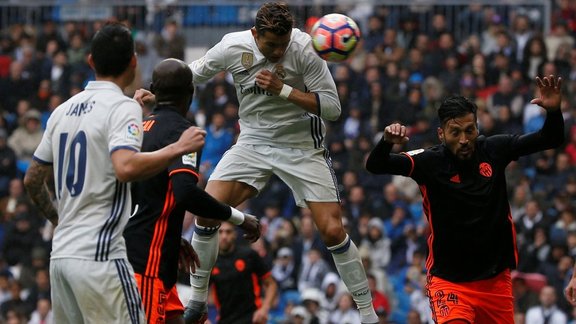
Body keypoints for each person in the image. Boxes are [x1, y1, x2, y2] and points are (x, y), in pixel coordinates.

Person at [136, 2, 379, 323]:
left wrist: (284, 90)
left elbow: (332, 108)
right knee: (206, 211)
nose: (278, 51)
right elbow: (193, 72)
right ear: (255, 34)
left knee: (333, 230)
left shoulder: (305, 49)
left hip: (302, 146)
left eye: (283, 44)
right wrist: (156, 92)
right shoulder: (233, 46)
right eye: (271, 45)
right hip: (252, 143)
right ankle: (197, 299)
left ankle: (367, 313)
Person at [22, 22, 207, 324]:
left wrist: (61, 220)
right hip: (102, 258)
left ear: (90, 61)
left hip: (62, 258)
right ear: (134, 62)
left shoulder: (62, 111)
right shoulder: (123, 108)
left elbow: (32, 179)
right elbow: (125, 168)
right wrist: (177, 148)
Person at [366, 75, 564, 324]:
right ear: (441, 134)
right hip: (450, 283)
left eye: (469, 130)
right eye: (455, 132)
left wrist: (554, 111)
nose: (464, 139)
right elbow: (376, 165)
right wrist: (386, 142)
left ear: (477, 128)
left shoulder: (494, 149)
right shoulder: (429, 162)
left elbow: (550, 138)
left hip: (495, 283)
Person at [123, 58, 261, 324]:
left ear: (154, 89)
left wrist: (174, 238)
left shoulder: (138, 128)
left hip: (144, 254)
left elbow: (146, 194)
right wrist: (239, 218)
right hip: (147, 265)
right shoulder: (184, 132)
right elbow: (185, 192)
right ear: (191, 93)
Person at [207, 221, 277, 324]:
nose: (224, 236)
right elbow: (199, 293)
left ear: (234, 234)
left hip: (252, 319)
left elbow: (271, 284)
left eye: (228, 232)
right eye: (220, 232)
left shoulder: (249, 255)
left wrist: (264, 309)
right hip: (225, 320)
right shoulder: (210, 262)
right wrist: (204, 319)